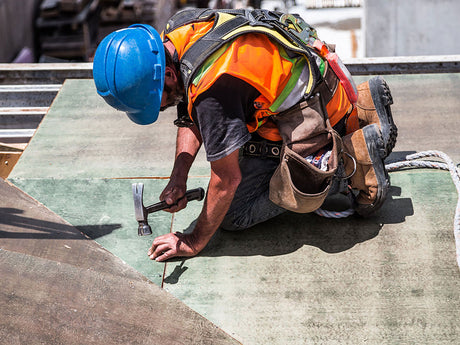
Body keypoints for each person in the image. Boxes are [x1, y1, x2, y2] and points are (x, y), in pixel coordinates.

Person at [93, 8, 397, 262]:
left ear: (168, 75)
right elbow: (189, 110)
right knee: (230, 145)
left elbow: (226, 180)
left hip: (316, 117)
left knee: (235, 214)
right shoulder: (179, 31)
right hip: (320, 87)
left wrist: (193, 240)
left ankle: (349, 162)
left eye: (155, 102)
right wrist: (179, 177)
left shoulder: (214, 89)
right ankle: (364, 108)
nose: (159, 109)